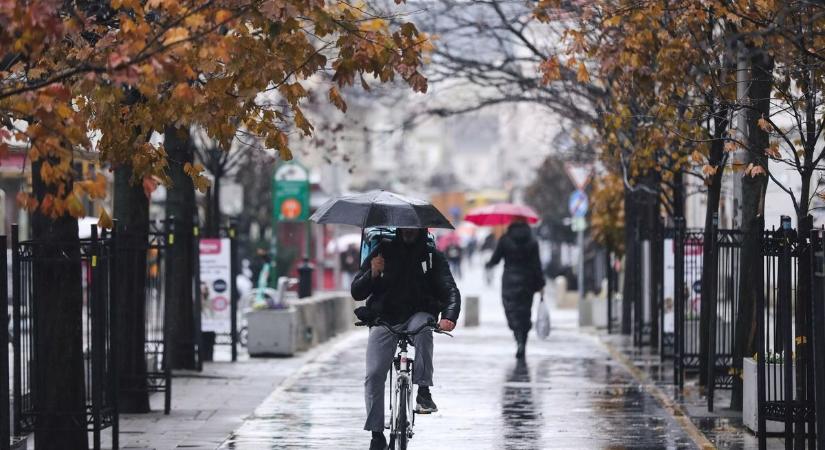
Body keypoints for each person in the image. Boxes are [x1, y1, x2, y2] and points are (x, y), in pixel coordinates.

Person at [351, 227, 461, 450]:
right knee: (373, 375)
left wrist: (449, 316)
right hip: (385, 318)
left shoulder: (432, 255)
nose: (410, 230)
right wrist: (372, 273)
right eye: (406, 226)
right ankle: (376, 434)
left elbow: (450, 289)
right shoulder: (381, 250)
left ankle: (423, 391)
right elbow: (357, 292)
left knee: (424, 330)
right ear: (400, 228)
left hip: (418, 314)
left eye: (414, 227)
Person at [485, 217, 545, 359]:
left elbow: (495, 259)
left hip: (509, 281)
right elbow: (537, 265)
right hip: (527, 281)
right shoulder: (533, 241)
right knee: (525, 312)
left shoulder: (505, 239)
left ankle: (518, 338)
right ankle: (523, 342)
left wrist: (488, 264)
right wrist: (541, 284)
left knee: (511, 310)